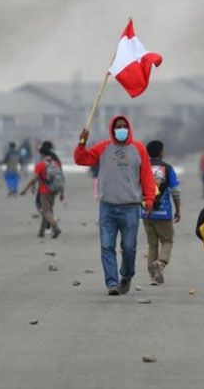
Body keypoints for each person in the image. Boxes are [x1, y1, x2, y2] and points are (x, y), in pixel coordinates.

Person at [74, 116, 156, 295]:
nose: (121, 129)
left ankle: (126, 276)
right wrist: (82, 142)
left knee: (129, 247)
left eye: (124, 126)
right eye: (118, 127)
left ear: (129, 128)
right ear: (112, 129)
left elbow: (147, 176)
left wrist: (149, 198)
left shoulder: (139, 149)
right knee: (106, 245)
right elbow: (81, 159)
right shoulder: (103, 147)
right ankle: (112, 282)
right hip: (108, 207)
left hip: (130, 208)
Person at [141, 140, 181, 286]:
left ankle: (152, 276)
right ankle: (161, 263)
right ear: (161, 152)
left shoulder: (142, 167)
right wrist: (178, 209)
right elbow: (175, 191)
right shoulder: (168, 168)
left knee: (152, 244)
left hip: (146, 211)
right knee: (167, 241)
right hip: (163, 212)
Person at [20, 141, 63, 238]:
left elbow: (33, 179)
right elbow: (61, 177)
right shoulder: (55, 163)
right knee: (47, 210)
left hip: (44, 191)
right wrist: (61, 191)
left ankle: (55, 228)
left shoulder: (41, 164)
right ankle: (41, 232)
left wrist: (25, 189)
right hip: (54, 190)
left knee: (46, 211)